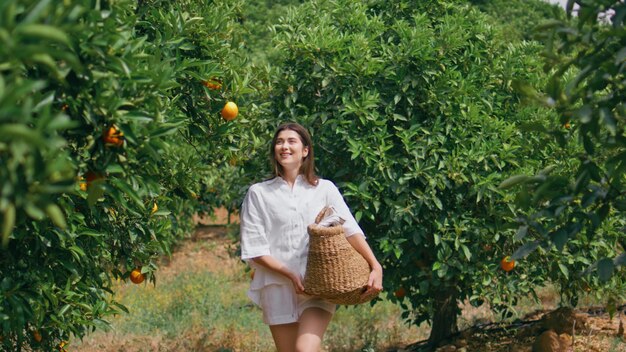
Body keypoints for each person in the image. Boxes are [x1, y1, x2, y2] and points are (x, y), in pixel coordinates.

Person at [239, 122, 383, 352]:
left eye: (291, 141)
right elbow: (255, 248)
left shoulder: (324, 189)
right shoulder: (259, 193)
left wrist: (376, 266)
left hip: (318, 285)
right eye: (279, 142)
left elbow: (350, 230)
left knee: (304, 349)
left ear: (305, 150)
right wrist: (290, 274)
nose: (284, 146)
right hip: (277, 285)